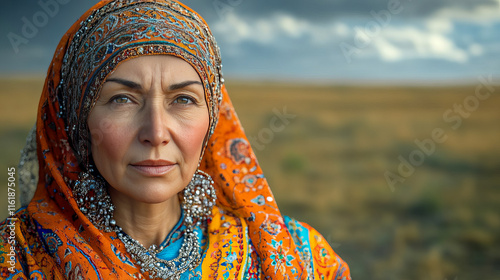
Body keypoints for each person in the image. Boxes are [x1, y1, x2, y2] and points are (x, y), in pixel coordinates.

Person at [0, 0, 351, 279]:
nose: (155, 133)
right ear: (76, 121)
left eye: (183, 99)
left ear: (212, 121)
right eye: (122, 99)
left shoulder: (298, 256)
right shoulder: (16, 259)